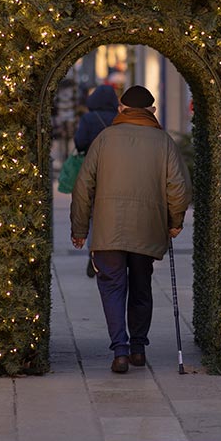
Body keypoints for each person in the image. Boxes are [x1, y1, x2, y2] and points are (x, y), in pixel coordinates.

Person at [70, 85, 192, 374]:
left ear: (121, 109)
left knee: (112, 287)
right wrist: (175, 222)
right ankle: (138, 347)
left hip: (108, 230)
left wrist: (80, 229)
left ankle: (120, 351)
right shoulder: (163, 142)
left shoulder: (104, 139)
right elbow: (179, 188)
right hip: (147, 228)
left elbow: (83, 186)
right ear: (152, 111)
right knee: (141, 285)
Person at [72, 84, 119, 277]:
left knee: (92, 214)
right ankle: (112, 251)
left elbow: (80, 142)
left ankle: (93, 253)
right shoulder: (119, 119)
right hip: (115, 172)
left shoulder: (88, 119)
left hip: (92, 172)